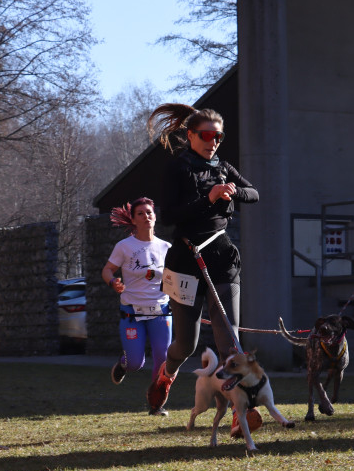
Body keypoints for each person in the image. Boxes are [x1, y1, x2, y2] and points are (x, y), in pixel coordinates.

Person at [144, 103, 260, 431]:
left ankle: (239, 411)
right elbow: (170, 217)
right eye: (206, 136)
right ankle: (166, 375)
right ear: (191, 135)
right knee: (186, 343)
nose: (213, 142)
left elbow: (254, 193)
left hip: (222, 257)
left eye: (218, 137)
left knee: (229, 339)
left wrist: (233, 191)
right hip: (186, 260)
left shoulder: (223, 167)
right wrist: (209, 198)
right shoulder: (177, 168)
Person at [102, 197, 173, 416]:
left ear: (155, 216)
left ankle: (156, 404)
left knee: (163, 360)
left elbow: (175, 279)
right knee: (135, 363)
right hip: (132, 312)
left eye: (149, 212)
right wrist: (113, 282)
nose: (146, 216)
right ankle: (123, 364)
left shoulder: (166, 247)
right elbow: (107, 270)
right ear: (133, 220)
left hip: (160, 311)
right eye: (140, 213)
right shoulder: (124, 247)